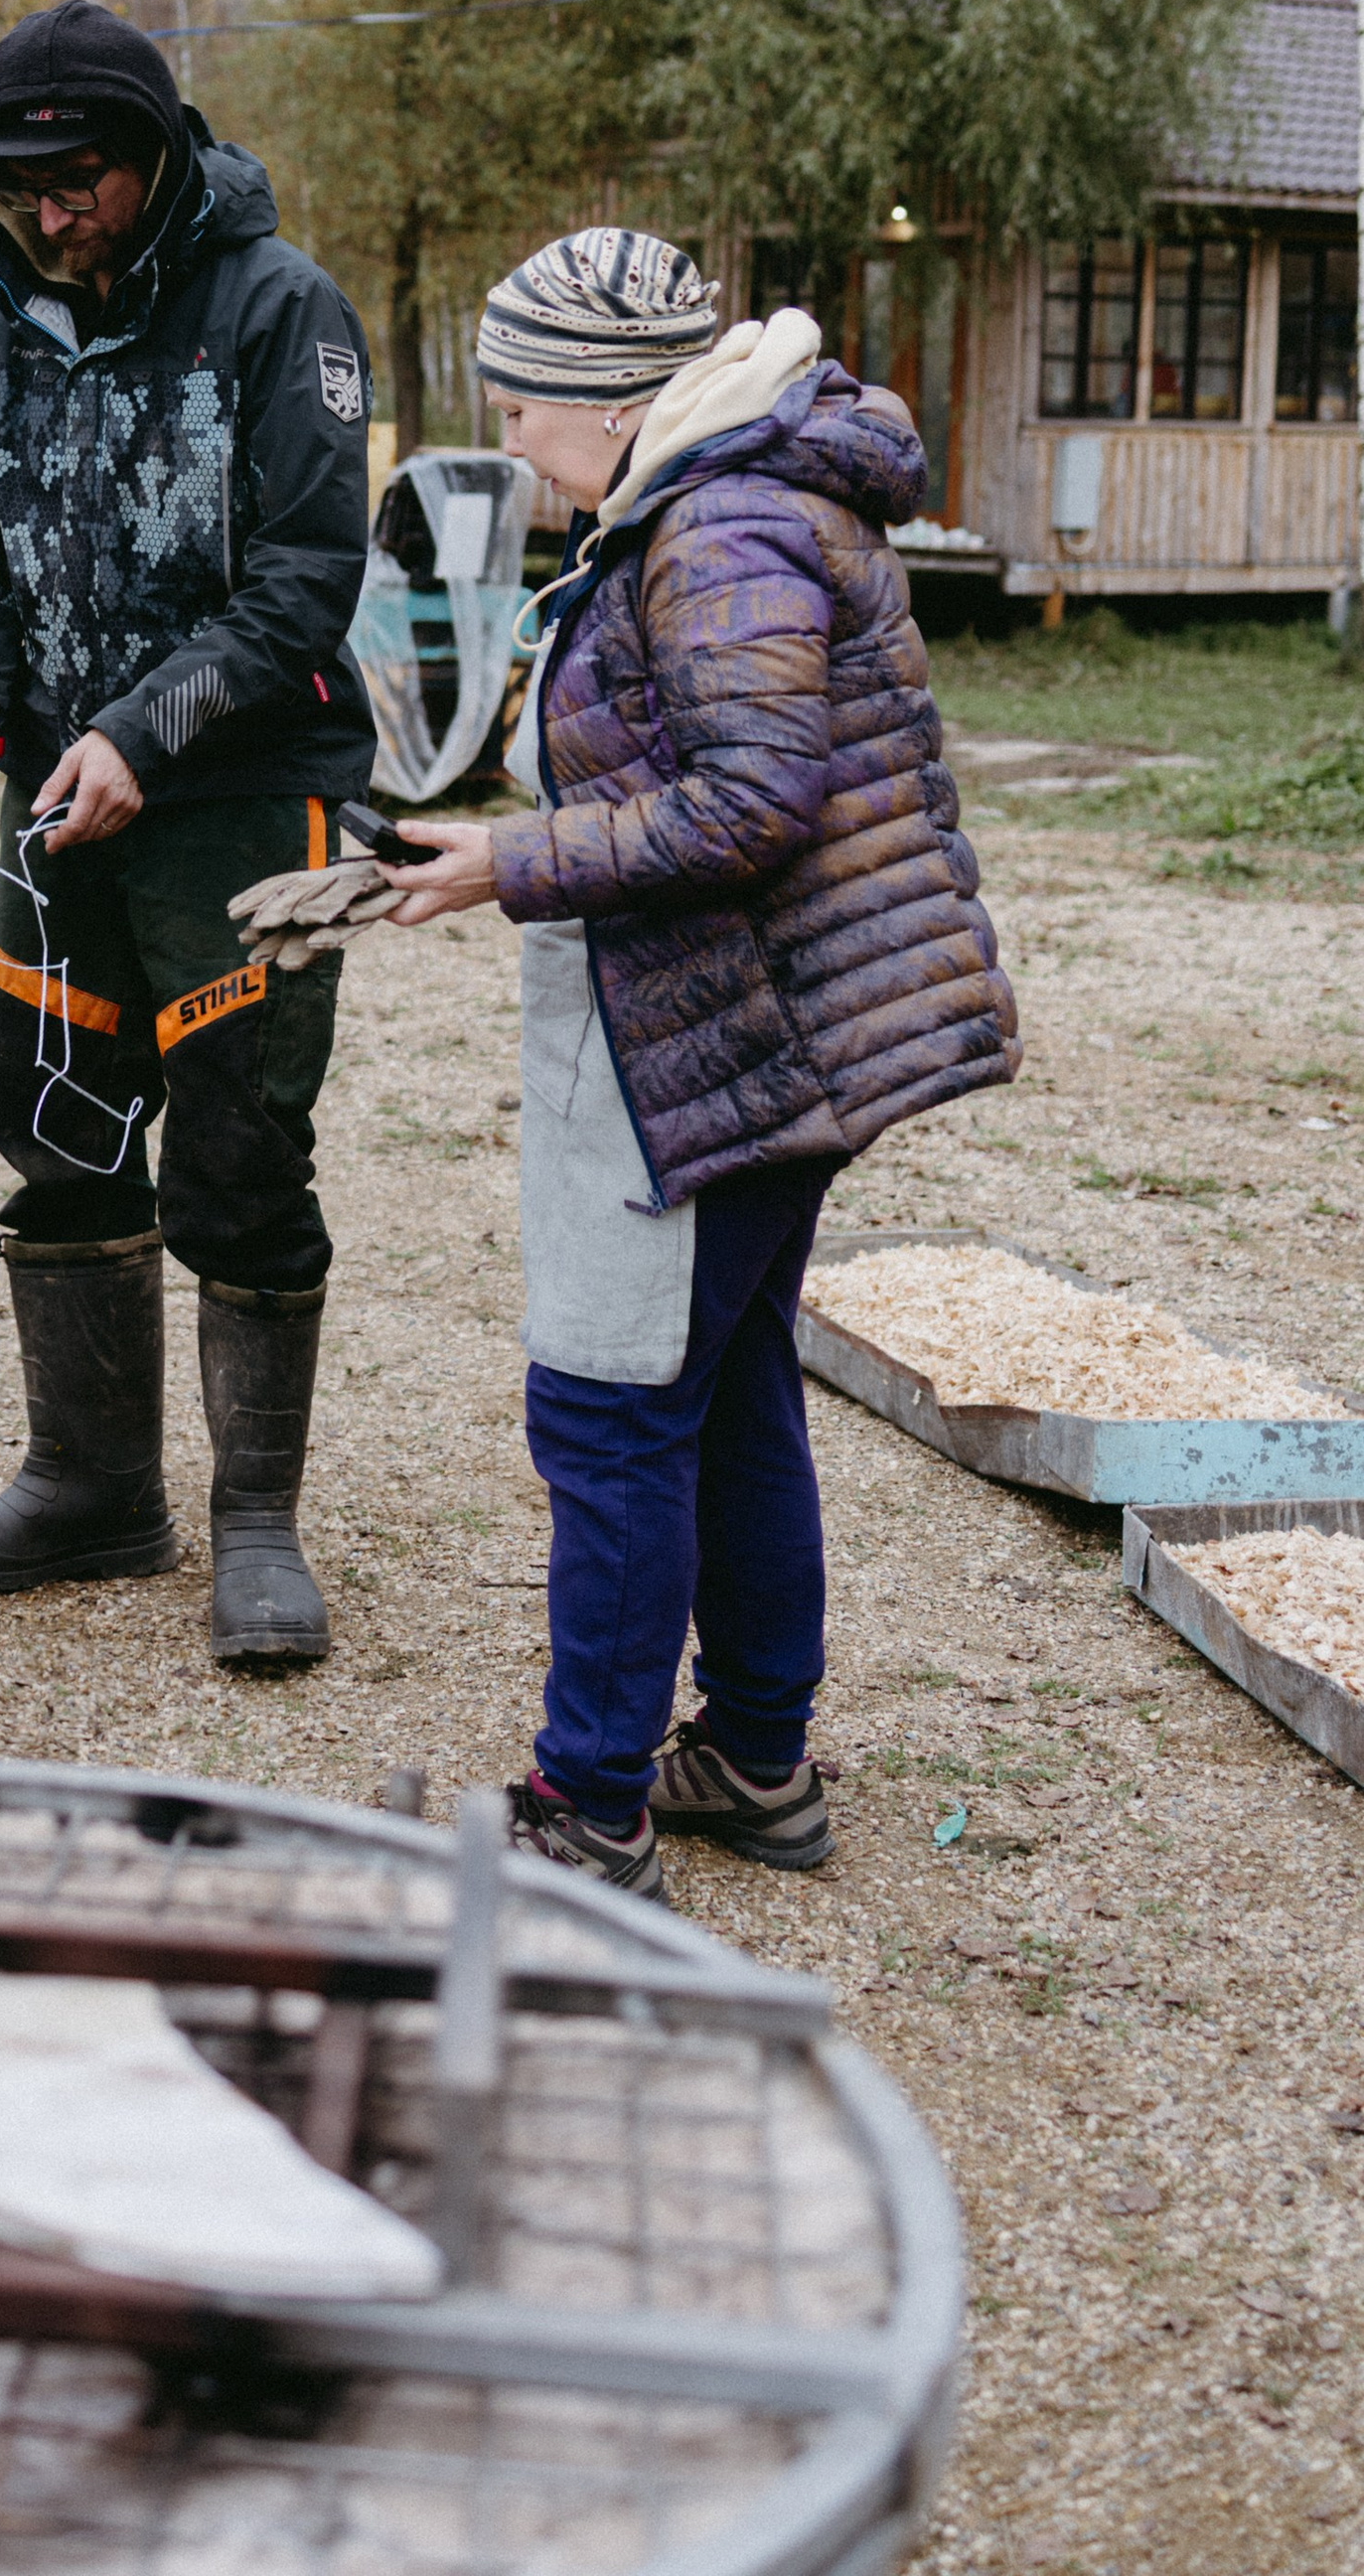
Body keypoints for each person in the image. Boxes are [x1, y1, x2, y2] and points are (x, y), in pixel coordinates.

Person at [382, 227, 1020, 1895]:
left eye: (518, 404)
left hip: (722, 1047)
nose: (508, 440)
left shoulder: (722, 519)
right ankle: (753, 1753)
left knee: (606, 1417)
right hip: (751, 1037)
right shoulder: (708, 500)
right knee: (725, 1396)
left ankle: (587, 1813)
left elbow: (752, 801)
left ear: (605, 400)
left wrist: (499, 865)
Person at [0, 0, 377, 1666]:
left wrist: (139, 733)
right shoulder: (1, 317)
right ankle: (93, 1487)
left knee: (239, 1146)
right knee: (57, 1119)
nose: (48, 212)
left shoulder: (281, 306)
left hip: (245, 794)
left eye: (79, 178)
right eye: (18, 185)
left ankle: (256, 1526)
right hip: (58, 795)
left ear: (155, 156)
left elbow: (307, 583)